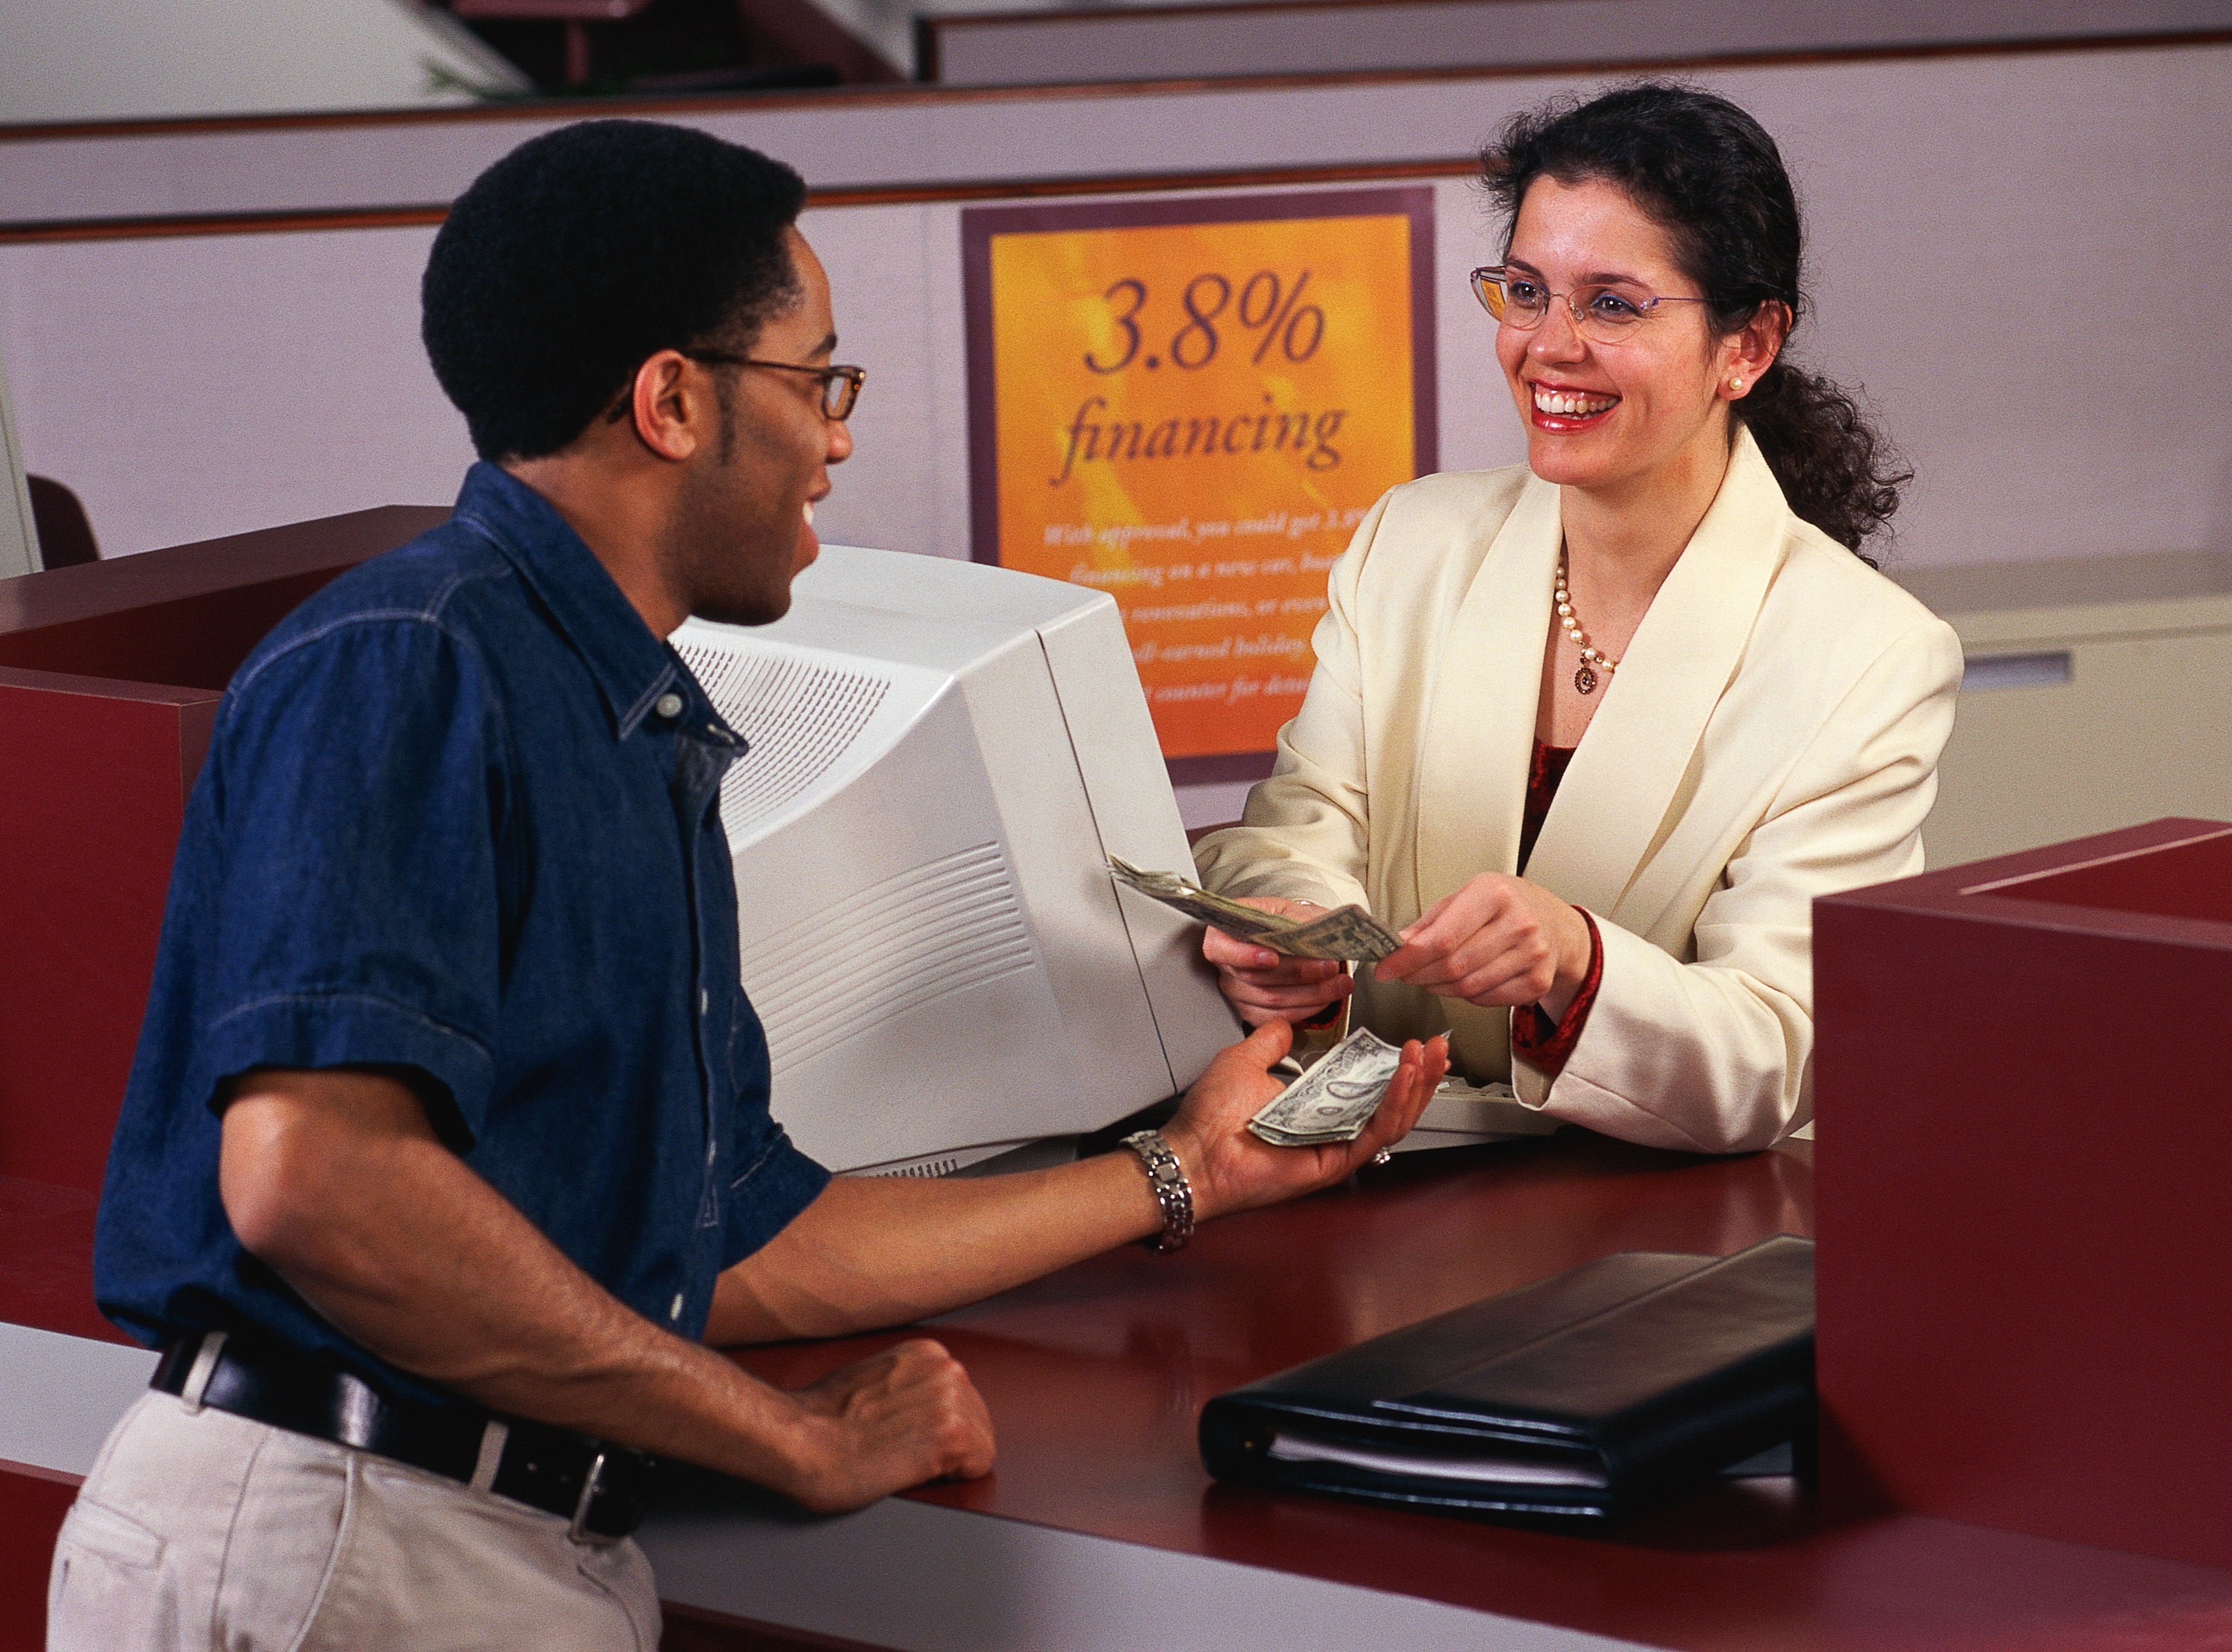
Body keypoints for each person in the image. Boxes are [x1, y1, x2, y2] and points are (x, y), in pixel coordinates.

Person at [49, 119, 1445, 1652]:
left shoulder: (638, 725)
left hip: (491, 1541)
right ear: (671, 401)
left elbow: (743, 1248)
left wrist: (1187, 1171)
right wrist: (793, 1438)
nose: (837, 436)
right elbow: (317, 1180)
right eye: (815, 380)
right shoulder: (413, 660)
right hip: (345, 1536)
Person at [1193, 84, 1960, 1156]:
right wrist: (1298, 935)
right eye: (1525, 291)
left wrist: (1577, 961)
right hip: (1360, 1166)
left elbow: (1782, 1050)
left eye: (1612, 304)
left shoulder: (1869, 656)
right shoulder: (1409, 543)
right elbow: (1306, 819)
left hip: (1650, 1227)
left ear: (1748, 345)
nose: (1549, 347)